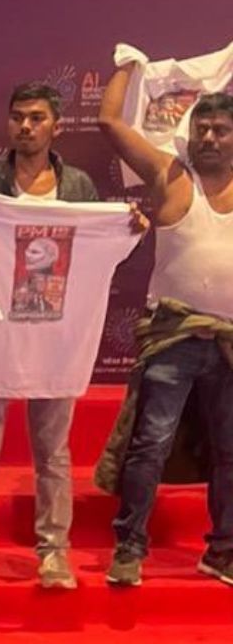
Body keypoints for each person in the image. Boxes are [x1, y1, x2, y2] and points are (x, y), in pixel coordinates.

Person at [0, 81, 147, 590]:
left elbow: (98, 251)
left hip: (58, 339)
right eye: (18, 116)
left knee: (53, 453)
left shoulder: (77, 185)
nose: (26, 126)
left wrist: (127, 227)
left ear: (56, 126)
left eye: (37, 118)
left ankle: (54, 551)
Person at [95, 64, 233, 587]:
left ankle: (223, 552)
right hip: (172, 339)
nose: (210, 138)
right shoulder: (170, 176)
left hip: (229, 344)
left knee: (230, 452)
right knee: (149, 444)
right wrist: (127, 65)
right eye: (202, 128)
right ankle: (129, 547)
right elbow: (110, 122)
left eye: (222, 131)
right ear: (189, 134)